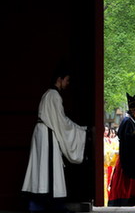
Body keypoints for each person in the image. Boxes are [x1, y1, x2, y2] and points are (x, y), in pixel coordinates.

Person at [21, 66, 87, 212]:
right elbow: (61, 121)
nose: (68, 83)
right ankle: (52, 205)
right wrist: (81, 130)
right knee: (48, 169)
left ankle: (37, 204)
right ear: (60, 79)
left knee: (40, 169)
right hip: (47, 134)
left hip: (42, 133)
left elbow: (58, 119)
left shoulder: (47, 94)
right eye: (67, 80)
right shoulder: (54, 96)